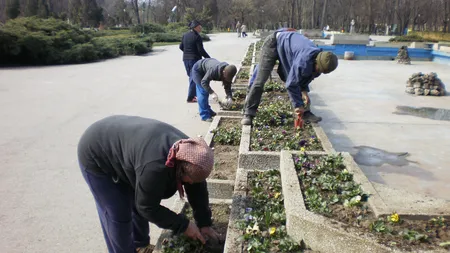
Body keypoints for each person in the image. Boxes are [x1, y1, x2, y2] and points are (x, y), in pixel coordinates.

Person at [77, 115, 221, 253]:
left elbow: (197, 188)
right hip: (97, 153)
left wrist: (204, 223)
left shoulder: (192, 154)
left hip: (130, 152)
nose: (190, 184)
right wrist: (183, 225)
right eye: (188, 180)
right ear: (180, 170)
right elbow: (147, 207)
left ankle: (140, 246)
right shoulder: (155, 167)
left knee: (138, 198)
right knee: (118, 214)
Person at [241, 28, 338, 126]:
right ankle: (248, 113)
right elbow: (291, 84)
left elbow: (306, 76)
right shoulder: (304, 60)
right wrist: (298, 105)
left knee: (298, 79)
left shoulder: (317, 59)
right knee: (260, 80)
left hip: (286, 47)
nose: (319, 72)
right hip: (273, 43)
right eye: (319, 69)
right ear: (317, 61)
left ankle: (306, 113)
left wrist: (304, 92)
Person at [180, 20, 211, 103]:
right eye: (200, 27)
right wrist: (208, 58)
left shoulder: (185, 35)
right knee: (193, 77)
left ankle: (193, 95)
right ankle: (190, 97)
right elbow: (201, 50)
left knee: (191, 76)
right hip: (194, 59)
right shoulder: (197, 36)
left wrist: (187, 52)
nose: (201, 28)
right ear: (195, 27)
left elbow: (181, 47)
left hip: (186, 59)